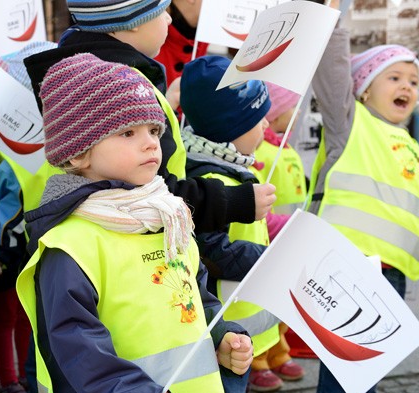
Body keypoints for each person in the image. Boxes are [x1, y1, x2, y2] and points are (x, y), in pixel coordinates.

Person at [16, 53, 253, 393]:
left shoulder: (167, 215)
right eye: (127, 133)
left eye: (152, 131)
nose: (150, 143)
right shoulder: (71, 241)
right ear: (80, 154)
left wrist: (221, 333)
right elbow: (73, 338)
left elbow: (194, 295)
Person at [308, 10, 419, 393]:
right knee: (348, 339)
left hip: (394, 264)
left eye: (412, 80)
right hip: (351, 254)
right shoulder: (350, 125)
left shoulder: (409, 143)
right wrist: (334, 20)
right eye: (394, 78)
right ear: (363, 89)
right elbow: (331, 70)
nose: (406, 86)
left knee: (377, 339)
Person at [23, 0, 276, 235]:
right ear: (131, 21)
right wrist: (233, 201)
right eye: (161, 10)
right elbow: (151, 188)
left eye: (153, 131)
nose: (168, 19)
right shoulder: (119, 86)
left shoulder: (79, 81)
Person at [179, 55, 274, 393]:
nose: (267, 126)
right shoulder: (211, 177)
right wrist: (271, 260)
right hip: (215, 312)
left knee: (235, 389)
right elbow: (212, 249)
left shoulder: (234, 169)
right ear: (229, 129)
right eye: (258, 120)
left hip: (235, 313)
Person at [249, 82, 307, 393]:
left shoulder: (287, 149)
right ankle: (258, 360)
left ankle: (278, 352)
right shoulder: (262, 151)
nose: (297, 114)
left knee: (283, 306)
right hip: (268, 238)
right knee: (262, 305)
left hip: (290, 240)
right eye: (292, 107)